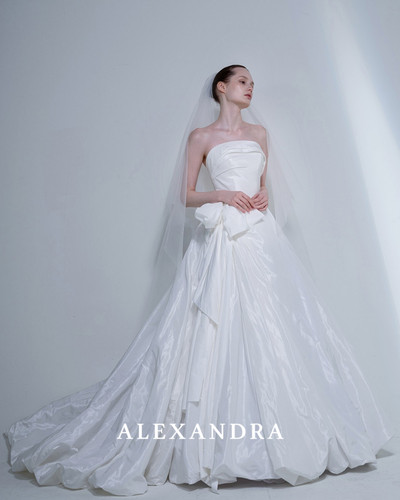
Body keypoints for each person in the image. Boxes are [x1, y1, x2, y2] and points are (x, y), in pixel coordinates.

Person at [6, 65, 394, 496]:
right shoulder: (201, 137)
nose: (250, 87)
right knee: (210, 323)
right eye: (243, 81)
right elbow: (185, 194)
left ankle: (291, 434)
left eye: (253, 83)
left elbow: (263, 187)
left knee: (280, 325)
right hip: (221, 237)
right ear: (221, 88)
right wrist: (222, 194)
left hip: (261, 237)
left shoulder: (261, 133)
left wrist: (264, 194)